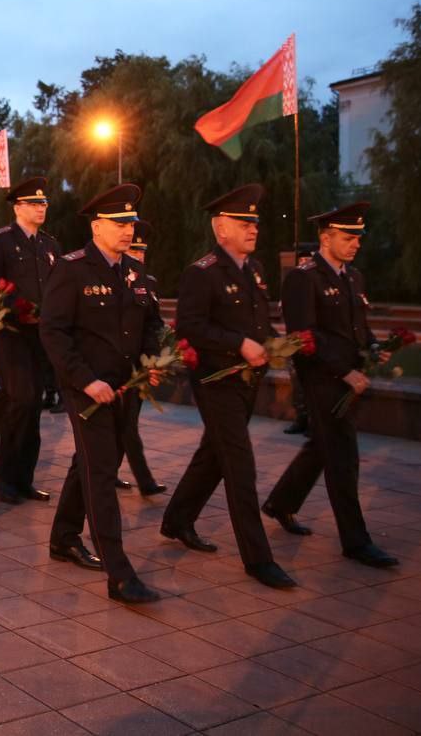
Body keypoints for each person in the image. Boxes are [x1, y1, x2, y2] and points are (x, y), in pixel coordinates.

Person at [161, 184, 296, 590]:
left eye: (255, 222)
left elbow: (258, 322)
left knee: (214, 455)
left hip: (246, 381)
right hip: (216, 381)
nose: (253, 228)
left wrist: (276, 344)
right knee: (240, 465)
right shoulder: (201, 273)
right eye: (243, 222)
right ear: (221, 229)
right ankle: (258, 560)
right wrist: (238, 344)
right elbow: (189, 328)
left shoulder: (254, 269)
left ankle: (177, 519)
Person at [40, 184, 163, 604]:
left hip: (127, 389)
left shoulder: (136, 272)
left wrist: (151, 361)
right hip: (88, 390)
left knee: (92, 464)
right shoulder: (72, 269)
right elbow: (53, 331)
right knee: (101, 475)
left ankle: (63, 537)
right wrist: (84, 380)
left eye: (131, 223)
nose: (128, 230)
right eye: (119, 223)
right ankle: (119, 574)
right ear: (97, 227)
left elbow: (151, 323)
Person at [263, 202, 398, 569]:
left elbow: (357, 326)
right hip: (322, 380)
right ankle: (356, 541)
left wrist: (373, 347)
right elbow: (303, 336)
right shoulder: (303, 278)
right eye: (348, 237)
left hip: (349, 378)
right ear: (326, 238)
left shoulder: (353, 277)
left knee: (322, 448)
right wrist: (343, 372)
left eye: (358, 238)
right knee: (343, 459)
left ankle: (280, 502)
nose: (356, 244)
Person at [0, 176, 61, 504]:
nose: (41, 208)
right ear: (18, 208)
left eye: (44, 203)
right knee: (22, 399)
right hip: (11, 335)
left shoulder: (50, 245)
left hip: (41, 336)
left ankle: (24, 479)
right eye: (34, 203)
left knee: (34, 405)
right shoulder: (0, 242)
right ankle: (6, 478)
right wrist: (17, 308)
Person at [116, 220, 167, 496]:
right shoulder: (113, 278)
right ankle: (144, 480)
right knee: (124, 424)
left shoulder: (149, 282)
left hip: (140, 365)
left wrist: (154, 359)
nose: (139, 256)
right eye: (134, 251)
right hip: (116, 365)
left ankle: (109, 471)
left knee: (125, 423)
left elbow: (153, 323)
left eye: (142, 251)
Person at [283, 242, 317, 435]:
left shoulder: (317, 282)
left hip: (312, 340)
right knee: (297, 382)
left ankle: (314, 421)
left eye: (308, 259)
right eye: (301, 259)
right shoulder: (294, 281)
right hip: (294, 340)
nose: (304, 262)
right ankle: (301, 417)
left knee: (312, 384)